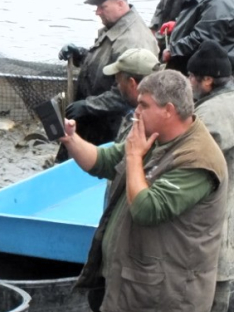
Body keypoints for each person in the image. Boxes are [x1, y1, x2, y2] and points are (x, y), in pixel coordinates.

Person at [61, 70, 228, 312]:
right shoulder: (152, 136)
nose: (135, 112)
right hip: (132, 286)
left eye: (143, 105)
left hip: (165, 297)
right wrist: (71, 139)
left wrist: (134, 156)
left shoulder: (197, 160)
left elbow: (146, 209)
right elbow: (104, 161)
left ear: (168, 110)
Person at [57, 0, 158, 161]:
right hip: (92, 120)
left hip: (110, 126)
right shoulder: (115, 26)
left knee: (95, 169)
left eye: (102, 7)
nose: (97, 12)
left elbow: (129, 92)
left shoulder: (133, 40)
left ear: (120, 4)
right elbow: (105, 64)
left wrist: (87, 106)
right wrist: (80, 54)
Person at [185, 40, 234, 312]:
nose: (187, 81)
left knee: (212, 296)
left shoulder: (207, 117)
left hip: (215, 235)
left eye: (191, 76)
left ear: (207, 81)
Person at [101, 48, 161, 143]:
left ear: (131, 83)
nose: (118, 86)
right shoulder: (159, 109)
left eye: (118, 81)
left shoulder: (147, 126)